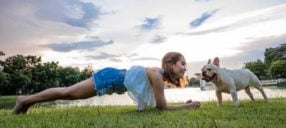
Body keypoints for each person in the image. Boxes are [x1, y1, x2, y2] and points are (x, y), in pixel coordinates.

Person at [12, 52, 200, 114]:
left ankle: (27, 101)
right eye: (182, 64)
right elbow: (162, 108)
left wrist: (186, 105)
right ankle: (25, 100)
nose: (185, 68)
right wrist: (188, 106)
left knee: (67, 93)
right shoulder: (157, 76)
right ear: (171, 64)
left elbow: (160, 106)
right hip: (109, 78)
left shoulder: (158, 76)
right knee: (67, 93)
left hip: (113, 79)